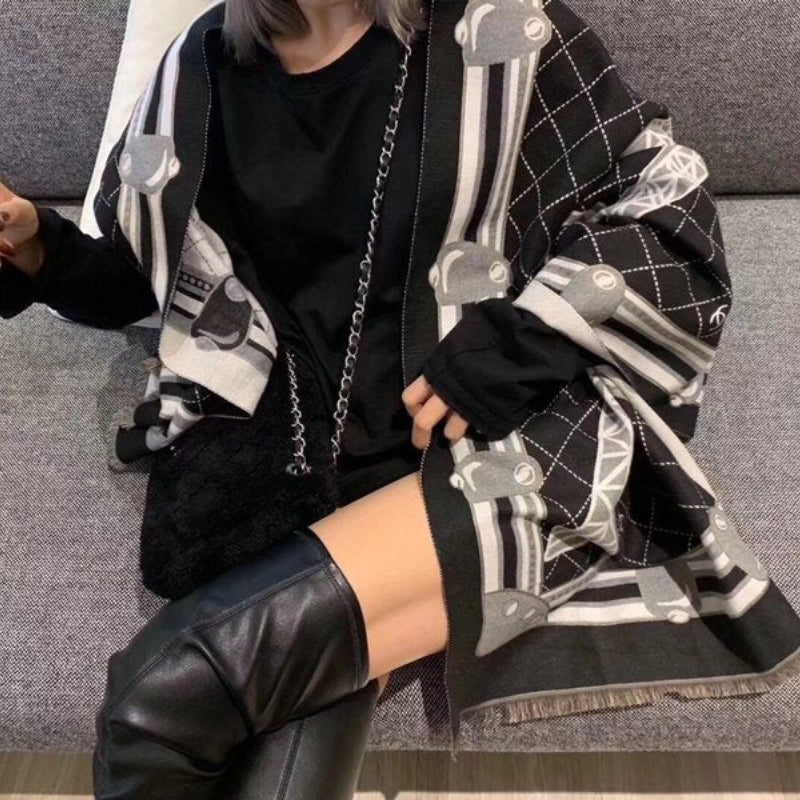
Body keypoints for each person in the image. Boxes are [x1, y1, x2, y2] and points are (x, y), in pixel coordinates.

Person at [7, 0, 798, 796]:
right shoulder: (201, 67)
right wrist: (38, 243)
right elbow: (148, 268)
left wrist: (513, 347)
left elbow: (665, 205)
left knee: (153, 703)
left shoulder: (497, 32)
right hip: (286, 446)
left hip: (475, 445)